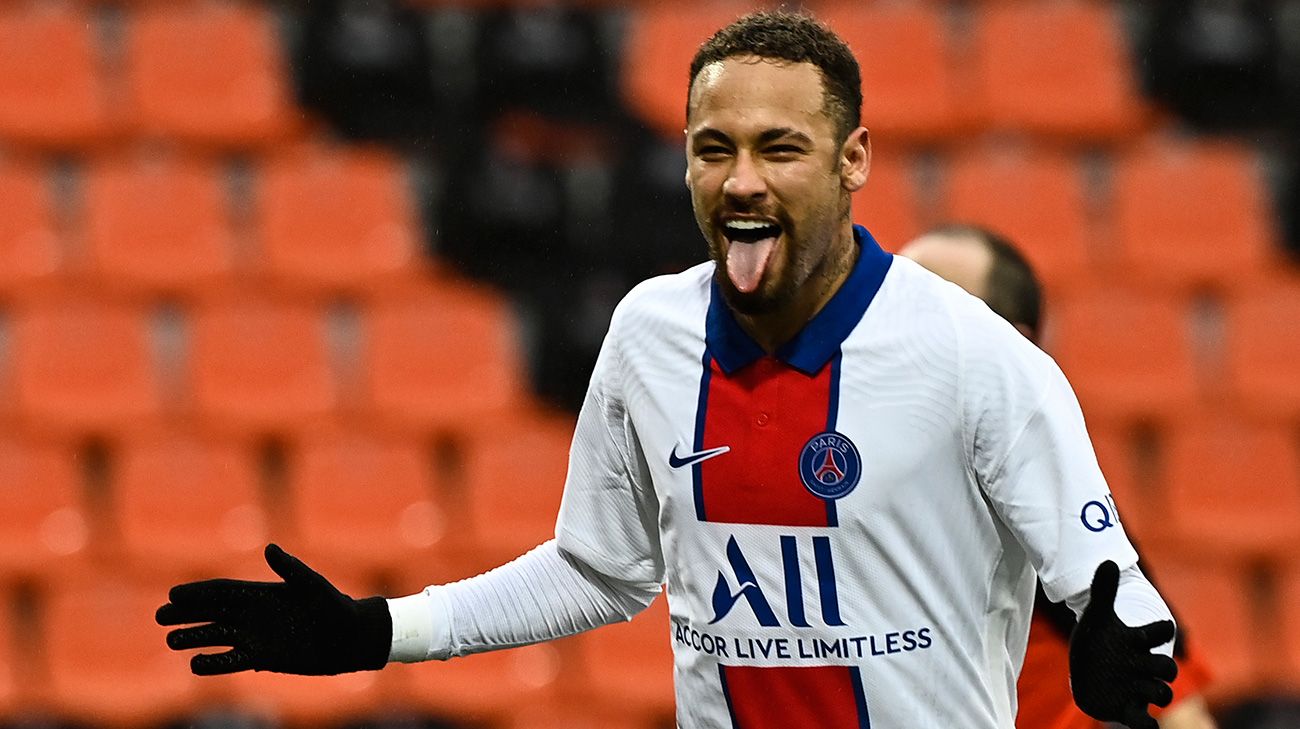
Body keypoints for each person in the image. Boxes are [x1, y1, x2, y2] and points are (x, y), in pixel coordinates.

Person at [156, 12, 1179, 729]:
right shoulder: (650, 330)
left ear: (853, 159)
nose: (740, 181)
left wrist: (1121, 652)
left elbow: (1116, 598)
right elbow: (599, 570)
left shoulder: (977, 357)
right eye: (712, 148)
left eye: (780, 148)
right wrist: (380, 631)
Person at [899, 224, 1218, 729]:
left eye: (935, 311)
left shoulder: (1048, 519)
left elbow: (1178, 702)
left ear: (1013, 347)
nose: (896, 327)